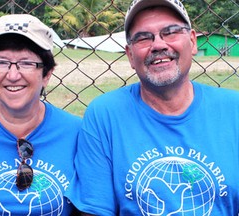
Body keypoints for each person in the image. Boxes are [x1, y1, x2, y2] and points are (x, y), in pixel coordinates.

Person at [65, 0, 239, 215]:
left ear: (193, 42)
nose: (158, 45)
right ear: (130, 55)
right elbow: (95, 209)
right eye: (143, 38)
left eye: (171, 32)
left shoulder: (233, 110)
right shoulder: (105, 114)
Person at [0, 14, 81, 215]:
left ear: (47, 74)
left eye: (27, 63)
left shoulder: (79, 134)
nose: (12, 76)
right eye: (1, 62)